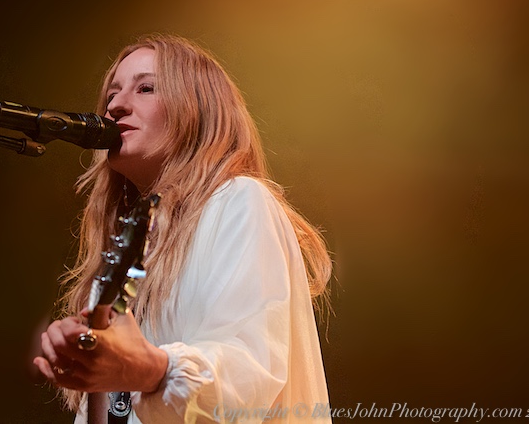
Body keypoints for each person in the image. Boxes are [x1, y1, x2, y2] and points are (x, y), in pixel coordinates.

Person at [33, 34, 332, 423]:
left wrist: (152, 370)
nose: (117, 105)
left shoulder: (238, 201)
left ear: (198, 109)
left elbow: (249, 373)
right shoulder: (128, 245)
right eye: (111, 95)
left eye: (146, 88)